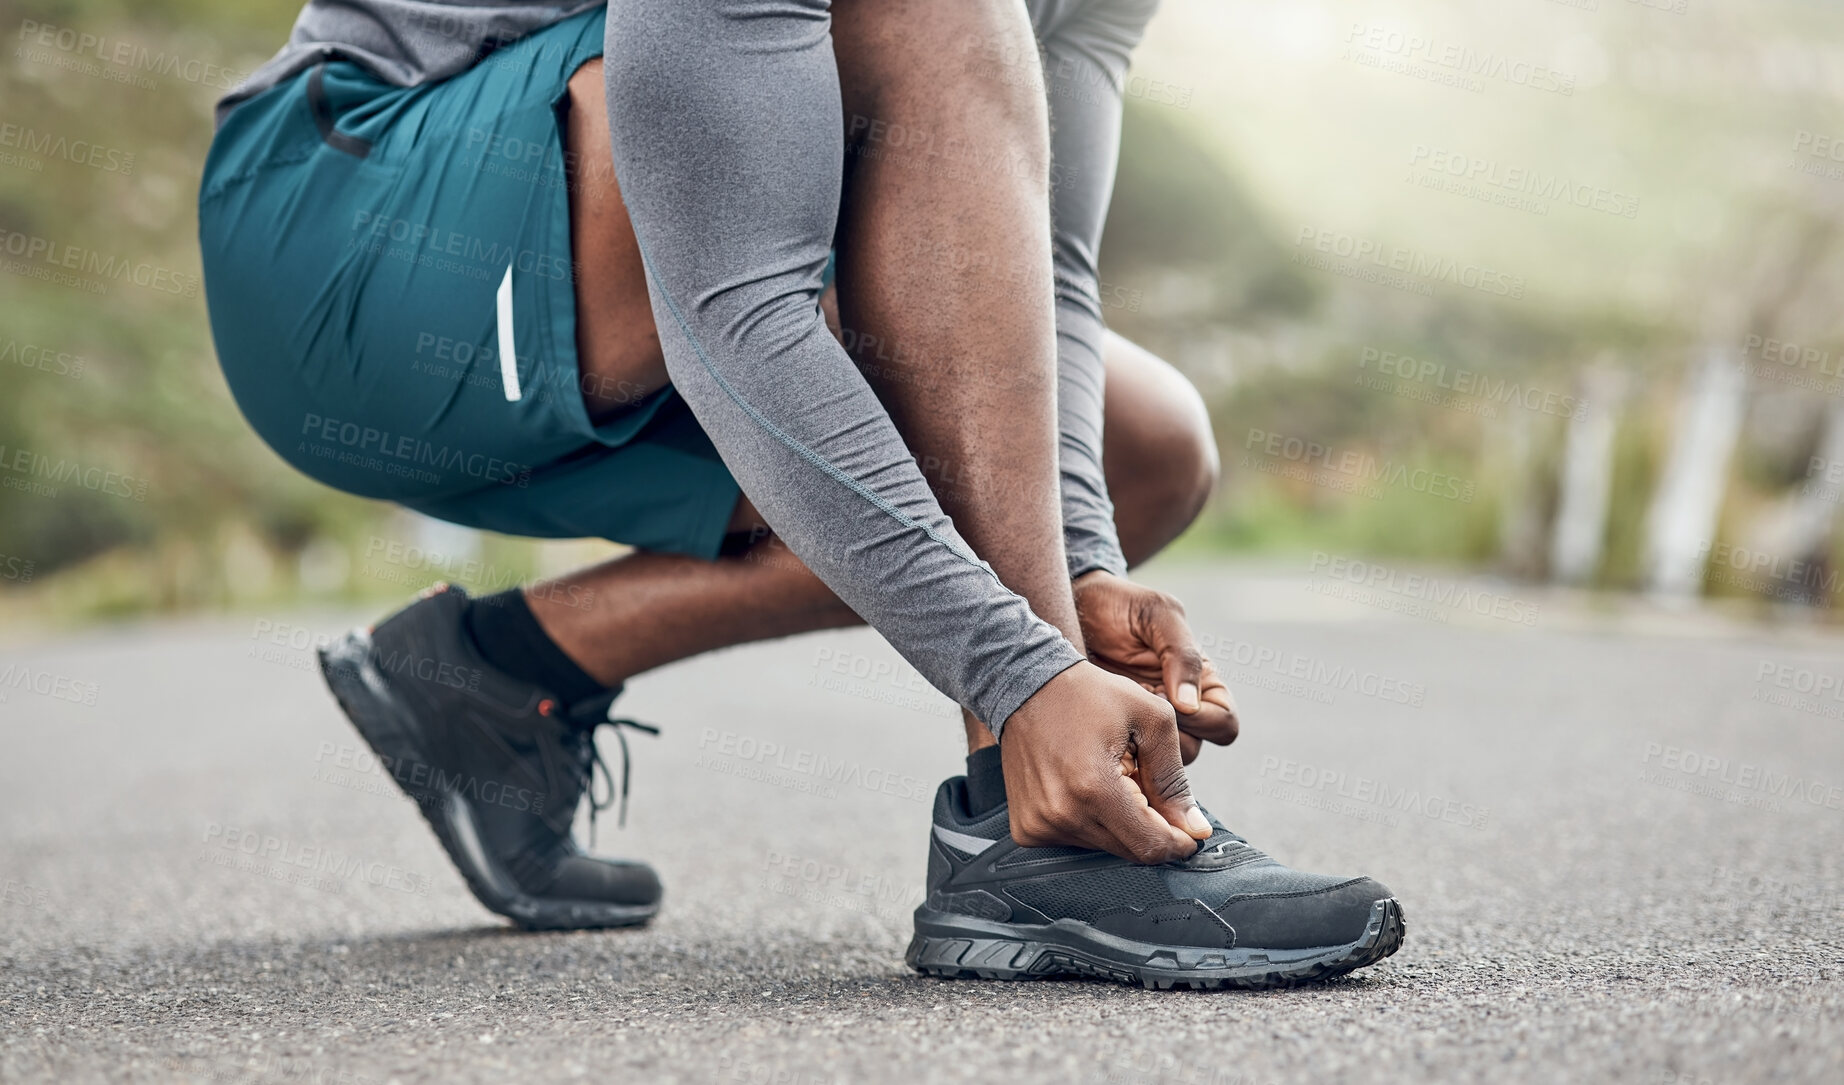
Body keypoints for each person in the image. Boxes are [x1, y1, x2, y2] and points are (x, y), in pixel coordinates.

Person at [198, 0, 1403, 988]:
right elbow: (733, 306)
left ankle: (503, 671)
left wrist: (1076, 567)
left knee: (1148, 448)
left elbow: (1045, 277)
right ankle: (1027, 821)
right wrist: (1017, 669)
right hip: (342, 233)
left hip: (610, 269)